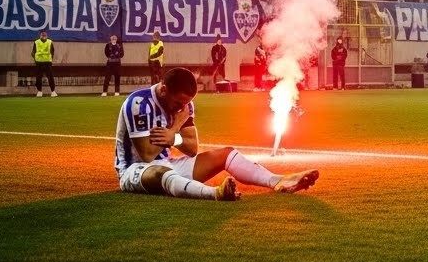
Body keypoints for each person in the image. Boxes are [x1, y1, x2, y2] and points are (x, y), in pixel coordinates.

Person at [113, 67, 320, 201]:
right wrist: (176, 128)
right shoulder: (139, 104)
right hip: (134, 170)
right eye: (178, 103)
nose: (181, 108)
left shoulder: (184, 106)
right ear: (164, 90)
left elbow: (192, 148)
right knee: (161, 173)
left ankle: (277, 180)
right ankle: (215, 194)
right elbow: (147, 154)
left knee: (226, 154)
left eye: (185, 104)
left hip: (169, 163)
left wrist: (173, 138)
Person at [33, 29, 57, 97]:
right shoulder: (36, 42)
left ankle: (53, 91)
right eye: (42, 35)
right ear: (40, 35)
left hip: (47, 62)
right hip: (39, 62)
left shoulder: (50, 42)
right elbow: (33, 52)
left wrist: (50, 59)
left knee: (50, 77)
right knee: (38, 77)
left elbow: (52, 51)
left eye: (45, 35)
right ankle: (39, 91)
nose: (43, 36)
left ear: (47, 35)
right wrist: (36, 60)